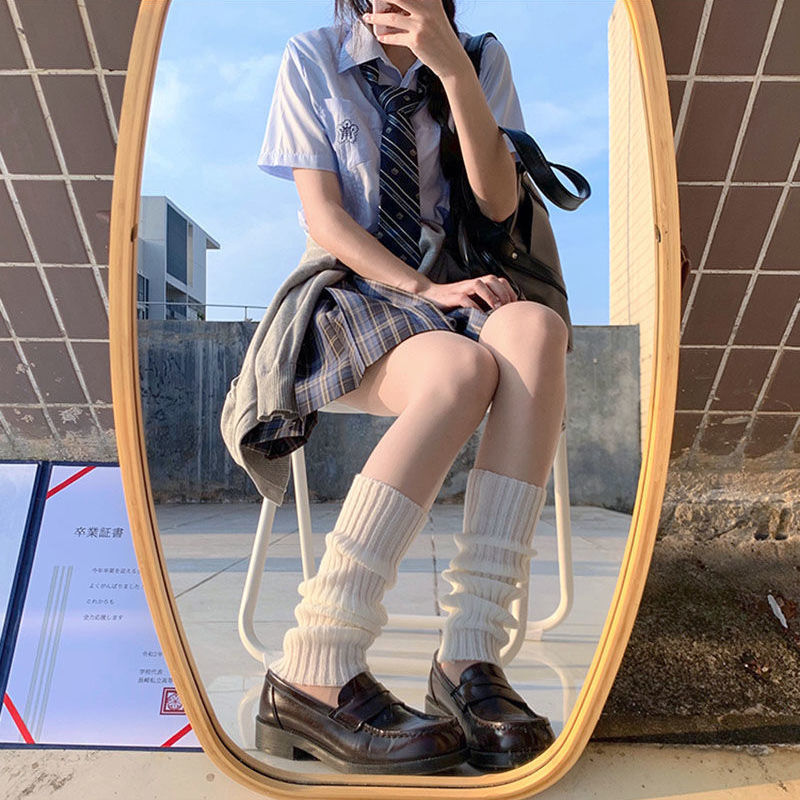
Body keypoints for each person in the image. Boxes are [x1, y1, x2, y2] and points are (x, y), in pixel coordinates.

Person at [243, 0, 568, 776]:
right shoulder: (314, 55)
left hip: (460, 284)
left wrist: (451, 68)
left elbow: (498, 205)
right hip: (351, 292)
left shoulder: (480, 57)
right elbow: (324, 217)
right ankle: (316, 658)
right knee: (460, 368)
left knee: (534, 330)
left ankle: (470, 657)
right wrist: (421, 289)